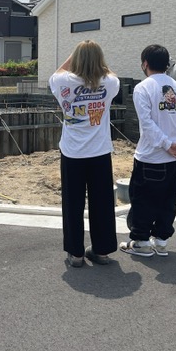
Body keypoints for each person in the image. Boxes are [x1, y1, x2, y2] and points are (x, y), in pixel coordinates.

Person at [120, 44, 176, 258]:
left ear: (145, 63)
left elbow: (147, 124)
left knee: (143, 200)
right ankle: (161, 242)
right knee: (168, 200)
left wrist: (166, 145)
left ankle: (142, 242)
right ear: (167, 64)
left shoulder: (143, 88)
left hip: (151, 158)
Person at [49, 40, 120, 267]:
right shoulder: (110, 82)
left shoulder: (61, 82)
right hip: (99, 152)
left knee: (73, 203)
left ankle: (76, 254)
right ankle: (101, 251)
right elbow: (111, 73)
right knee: (102, 202)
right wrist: (98, 63)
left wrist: (75, 54)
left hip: (72, 153)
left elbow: (59, 70)